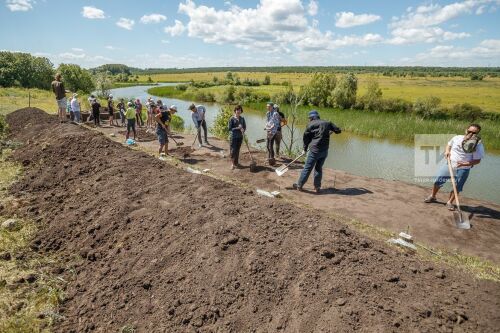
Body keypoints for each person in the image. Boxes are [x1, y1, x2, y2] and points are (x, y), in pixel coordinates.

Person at [424, 124, 484, 210]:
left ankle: (449, 202)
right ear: (466, 130)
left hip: (464, 168)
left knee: (457, 186)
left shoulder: (478, 145)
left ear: (477, 134)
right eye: (469, 131)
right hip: (449, 164)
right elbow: (449, 144)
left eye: (474, 133)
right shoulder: (457, 138)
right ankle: (433, 196)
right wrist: (447, 151)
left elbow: (477, 160)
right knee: (438, 180)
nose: (470, 133)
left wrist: (465, 164)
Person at [293, 110, 341, 193]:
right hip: (324, 151)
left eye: (309, 118)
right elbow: (338, 130)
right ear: (318, 116)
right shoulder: (327, 123)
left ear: (311, 117)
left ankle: (299, 185)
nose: (309, 120)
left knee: (307, 168)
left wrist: (304, 149)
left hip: (314, 151)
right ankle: (317, 187)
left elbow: (306, 138)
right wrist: (332, 130)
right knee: (318, 168)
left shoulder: (310, 124)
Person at [228, 105, 246, 169]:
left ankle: (236, 163)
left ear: (241, 111)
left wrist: (243, 129)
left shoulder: (242, 118)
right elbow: (230, 129)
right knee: (233, 151)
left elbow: (244, 127)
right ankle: (232, 164)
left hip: (240, 137)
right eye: (237, 110)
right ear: (235, 111)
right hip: (233, 137)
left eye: (240, 110)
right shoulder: (232, 119)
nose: (238, 111)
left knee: (237, 150)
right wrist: (237, 128)